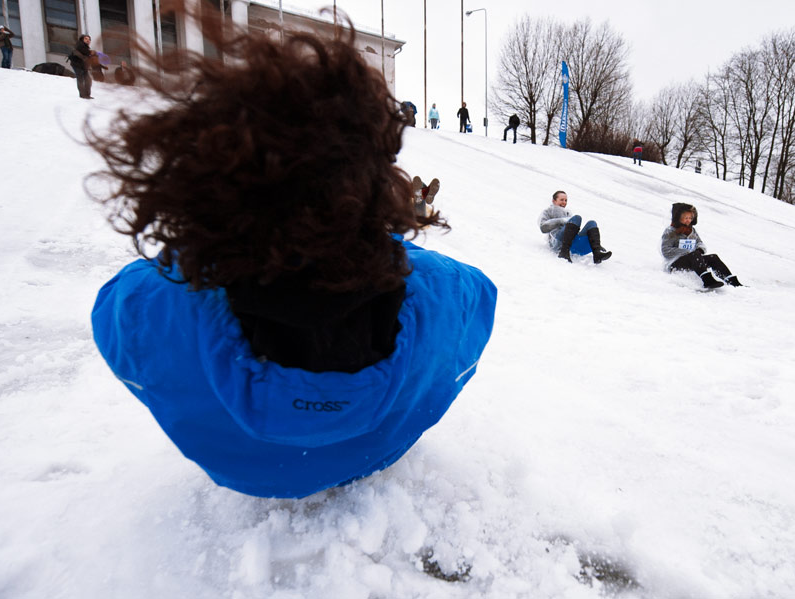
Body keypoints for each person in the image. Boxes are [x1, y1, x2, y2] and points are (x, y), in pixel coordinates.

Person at [88, 21, 497, 499]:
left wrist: (204, 248)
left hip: (247, 472)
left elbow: (123, 309)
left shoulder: (147, 303)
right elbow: (477, 296)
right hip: (377, 453)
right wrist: (384, 243)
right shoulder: (447, 292)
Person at [661, 203, 743, 289]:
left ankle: (731, 280)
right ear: (678, 218)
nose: (688, 220)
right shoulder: (670, 232)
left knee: (713, 257)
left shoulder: (691, 230)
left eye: (690, 218)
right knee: (694, 255)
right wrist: (686, 252)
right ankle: (707, 280)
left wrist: (700, 249)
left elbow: (699, 242)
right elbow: (665, 251)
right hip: (675, 263)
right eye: (686, 218)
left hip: (692, 260)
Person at [538, 191, 612, 264]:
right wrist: (562, 220)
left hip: (570, 243)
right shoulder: (547, 211)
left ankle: (597, 253)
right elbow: (543, 228)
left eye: (565, 200)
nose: (564, 202)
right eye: (561, 200)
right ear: (554, 201)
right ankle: (564, 252)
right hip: (556, 242)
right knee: (577, 218)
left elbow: (571, 231)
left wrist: (596, 244)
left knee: (592, 223)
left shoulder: (567, 213)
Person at [68, 34, 94, 99]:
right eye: (86, 39)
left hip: (83, 66)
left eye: (89, 39)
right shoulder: (80, 46)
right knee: (81, 79)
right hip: (77, 65)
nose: (88, 40)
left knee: (87, 79)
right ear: (82, 40)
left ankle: (87, 94)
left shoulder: (86, 47)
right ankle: (83, 95)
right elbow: (80, 55)